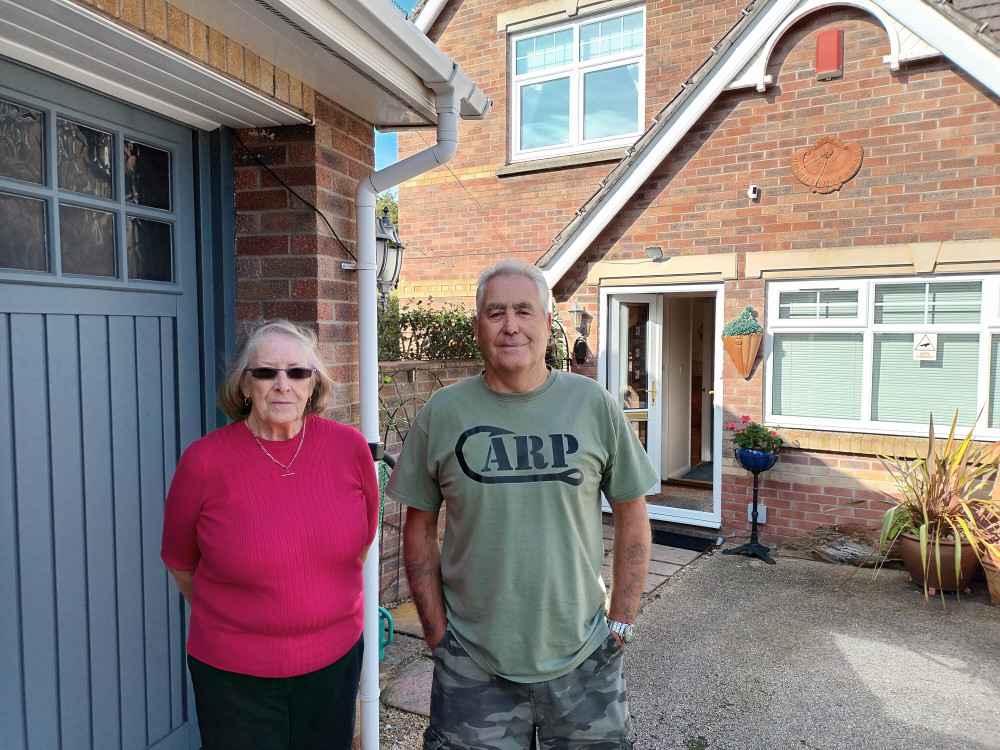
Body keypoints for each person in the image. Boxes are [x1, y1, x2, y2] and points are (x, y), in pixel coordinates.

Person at [386, 259, 657, 749]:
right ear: (476, 326)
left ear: (547, 324)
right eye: (495, 313)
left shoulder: (594, 405)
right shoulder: (442, 414)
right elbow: (418, 530)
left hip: (584, 659)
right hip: (472, 662)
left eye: (523, 311)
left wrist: (621, 622)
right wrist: (437, 638)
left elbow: (633, 515)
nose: (510, 326)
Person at [160, 320, 379, 750]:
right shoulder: (203, 462)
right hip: (234, 678)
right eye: (266, 372)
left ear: (313, 384)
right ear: (244, 385)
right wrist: (243, 619)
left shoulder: (349, 449)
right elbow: (180, 562)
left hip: (333, 666)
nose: (283, 385)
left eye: (297, 372)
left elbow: (361, 542)